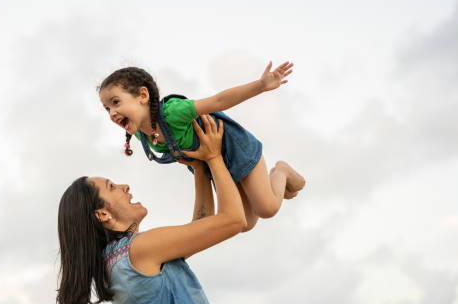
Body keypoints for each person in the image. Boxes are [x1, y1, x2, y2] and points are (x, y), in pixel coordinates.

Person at [57, 116, 247, 304]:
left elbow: (203, 228)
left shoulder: (114, 261)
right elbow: (234, 220)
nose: (125, 187)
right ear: (102, 214)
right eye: (112, 187)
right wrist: (214, 157)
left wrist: (199, 166)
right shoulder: (141, 249)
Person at [98, 62, 305, 232]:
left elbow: (218, 101)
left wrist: (260, 85)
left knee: (267, 208)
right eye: (107, 108)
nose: (112, 113)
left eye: (116, 102)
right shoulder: (141, 134)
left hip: (237, 150)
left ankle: (281, 171)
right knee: (244, 223)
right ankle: (268, 184)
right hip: (216, 167)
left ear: (143, 96)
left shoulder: (173, 112)